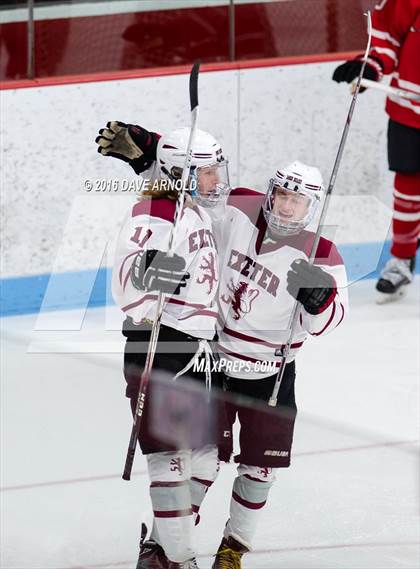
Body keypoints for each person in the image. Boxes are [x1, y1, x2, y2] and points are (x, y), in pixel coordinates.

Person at [97, 125, 349, 568]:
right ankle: (164, 549)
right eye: (282, 196)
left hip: (270, 372)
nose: (287, 207)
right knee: (199, 460)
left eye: (299, 201)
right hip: (212, 359)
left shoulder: (321, 254)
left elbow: (328, 323)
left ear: (313, 206)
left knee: (259, 467)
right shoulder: (238, 208)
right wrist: (152, 154)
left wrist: (321, 298)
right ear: (269, 194)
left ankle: (233, 547)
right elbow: (188, 189)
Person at [103, 124, 230, 569]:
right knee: (171, 459)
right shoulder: (153, 213)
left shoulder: (192, 209)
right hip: (159, 345)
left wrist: (152, 151)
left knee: (205, 461)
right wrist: (151, 277)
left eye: (218, 169)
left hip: (194, 350)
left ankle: (158, 550)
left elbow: (171, 175)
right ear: (185, 175)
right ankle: (179, 559)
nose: (218, 180)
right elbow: (126, 289)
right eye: (208, 172)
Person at [332, 0, 420, 302]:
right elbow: (388, 41)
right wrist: (369, 66)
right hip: (411, 111)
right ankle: (402, 259)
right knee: (408, 190)